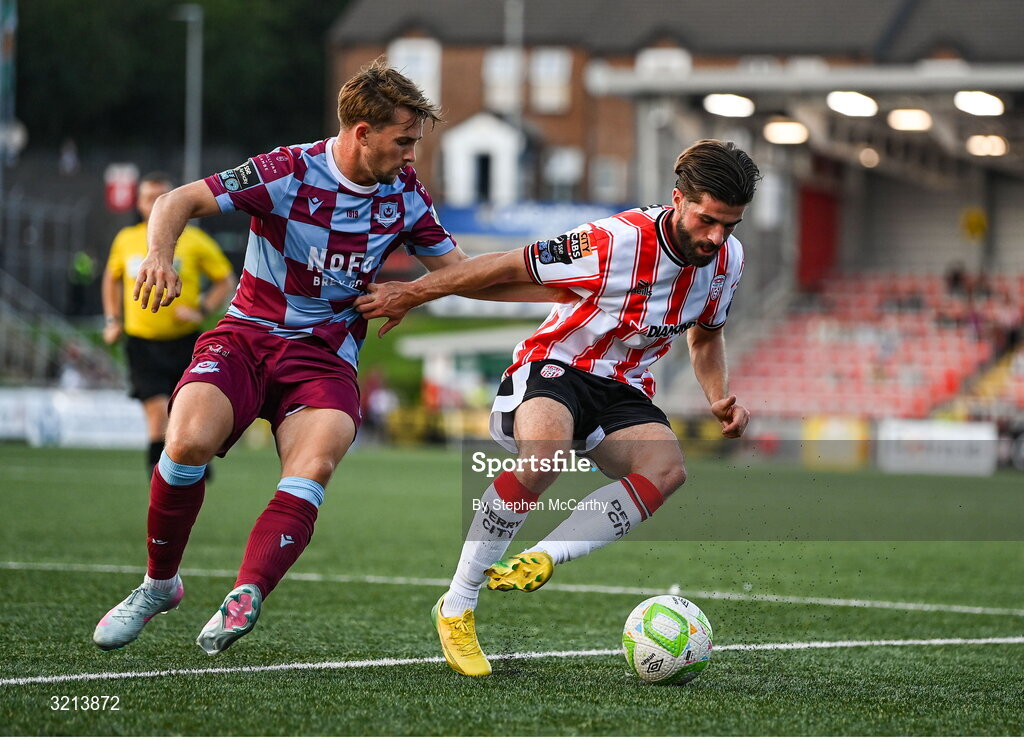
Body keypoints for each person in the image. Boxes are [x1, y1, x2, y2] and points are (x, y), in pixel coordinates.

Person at [92, 58, 563, 656]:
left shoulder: (405, 196)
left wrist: (569, 286)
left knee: (313, 465)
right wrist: (160, 253)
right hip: (246, 339)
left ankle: (248, 591)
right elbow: (176, 202)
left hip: (324, 358)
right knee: (183, 444)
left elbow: (463, 275)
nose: (413, 155)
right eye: (405, 141)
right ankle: (159, 585)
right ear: (362, 133)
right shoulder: (285, 171)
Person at [356, 139, 760, 677]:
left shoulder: (727, 260)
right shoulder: (613, 241)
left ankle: (545, 555)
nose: (717, 237)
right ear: (678, 199)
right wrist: (414, 292)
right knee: (544, 455)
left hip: (623, 388)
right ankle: (457, 605)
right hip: (557, 366)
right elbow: (506, 265)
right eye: (708, 220)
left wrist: (717, 396)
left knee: (667, 470)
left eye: (729, 225)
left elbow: (707, 338)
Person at [102, 172, 236, 472]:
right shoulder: (126, 240)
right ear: (139, 203)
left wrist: (201, 309)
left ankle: (189, 463)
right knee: (156, 413)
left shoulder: (195, 240)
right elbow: (111, 279)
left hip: (185, 341)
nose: (156, 204)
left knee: (185, 414)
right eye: (150, 198)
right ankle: (158, 481)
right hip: (141, 341)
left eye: (162, 197)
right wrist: (113, 320)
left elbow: (225, 280)